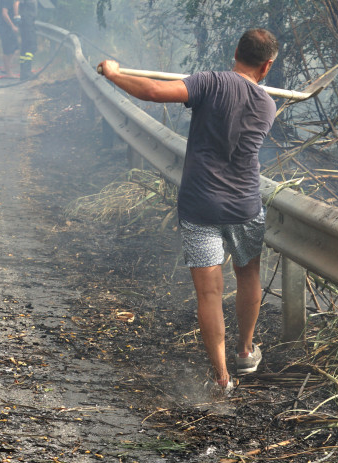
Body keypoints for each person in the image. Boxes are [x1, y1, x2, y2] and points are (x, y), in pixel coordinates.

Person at [98, 28, 278, 396]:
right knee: (249, 275)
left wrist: (115, 73)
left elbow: (152, 92)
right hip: (245, 206)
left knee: (209, 293)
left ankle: (222, 378)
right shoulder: (267, 106)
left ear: (235, 52)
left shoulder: (209, 84)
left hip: (201, 205)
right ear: (267, 66)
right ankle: (246, 349)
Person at [17, 0, 39, 78]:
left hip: (30, 22)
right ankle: (27, 71)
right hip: (26, 22)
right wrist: (17, 16)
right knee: (32, 46)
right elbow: (17, 3)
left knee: (25, 47)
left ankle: (24, 72)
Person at [0, 0, 19, 75]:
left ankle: (5, 68)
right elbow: (4, 14)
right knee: (8, 49)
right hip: (5, 27)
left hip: (6, 27)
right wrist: (12, 26)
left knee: (14, 46)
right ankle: (9, 73)